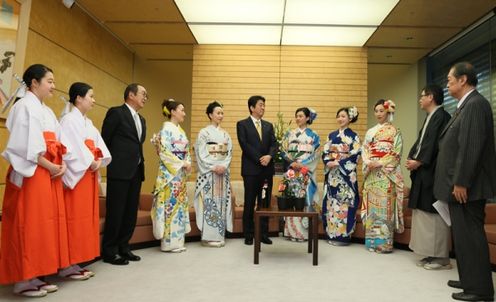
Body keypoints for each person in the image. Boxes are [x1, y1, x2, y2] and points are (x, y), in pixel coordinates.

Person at [0, 64, 70, 297]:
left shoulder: (46, 111)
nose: (53, 85)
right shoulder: (23, 107)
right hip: (32, 171)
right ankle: (22, 279)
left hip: (47, 171)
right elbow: (23, 146)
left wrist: (62, 162)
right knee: (27, 223)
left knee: (43, 224)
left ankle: (36, 274)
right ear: (34, 83)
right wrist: (50, 165)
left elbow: (57, 140)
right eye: (49, 81)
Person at [434, 62, 496, 302]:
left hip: (468, 187)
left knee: (471, 235)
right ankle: (469, 278)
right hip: (460, 185)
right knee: (462, 236)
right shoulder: (465, 106)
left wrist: (461, 182)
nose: (447, 83)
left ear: (463, 80)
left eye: (450, 79)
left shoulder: (476, 105)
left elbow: (470, 148)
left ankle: (479, 289)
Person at [60, 82, 112, 277]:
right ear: (78, 98)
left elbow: (99, 146)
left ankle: (76, 261)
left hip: (88, 175)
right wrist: (91, 160)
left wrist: (98, 159)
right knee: (74, 219)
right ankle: (67, 263)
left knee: (85, 219)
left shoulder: (87, 123)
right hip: (77, 176)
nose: (94, 100)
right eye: (90, 96)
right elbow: (70, 149)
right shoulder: (68, 120)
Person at [405, 84, 452, 270]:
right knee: (424, 213)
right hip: (424, 175)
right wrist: (412, 158)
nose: (420, 99)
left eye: (422, 96)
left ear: (431, 97)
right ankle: (430, 254)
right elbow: (421, 142)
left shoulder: (442, 117)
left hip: (433, 175)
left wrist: (419, 161)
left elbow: (434, 146)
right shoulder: (431, 117)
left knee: (434, 214)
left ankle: (441, 258)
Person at [101, 83, 146, 265]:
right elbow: (105, 140)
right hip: (119, 171)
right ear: (131, 95)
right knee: (116, 212)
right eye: (143, 94)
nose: (145, 98)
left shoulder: (142, 119)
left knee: (130, 213)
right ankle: (110, 251)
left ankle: (124, 247)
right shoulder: (116, 113)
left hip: (136, 171)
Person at [361, 99, 404, 253]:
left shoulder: (394, 131)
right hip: (372, 173)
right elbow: (365, 149)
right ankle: (372, 242)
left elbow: (397, 152)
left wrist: (380, 162)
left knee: (384, 209)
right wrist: (368, 161)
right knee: (373, 208)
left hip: (386, 173)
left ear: (388, 112)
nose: (378, 114)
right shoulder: (370, 132)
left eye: (381, 111)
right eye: (376, 111)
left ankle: (384, 243)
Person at [151, 99, 192, 252]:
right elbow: (164, 152)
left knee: (179, 206)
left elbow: (186, 150)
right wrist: (182, 163)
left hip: (179, 175)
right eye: (181, 110)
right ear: (173, 112)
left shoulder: (180, 131)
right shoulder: (166, 130)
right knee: (170, 205)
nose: (184, 113)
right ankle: (168, 243)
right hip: (169, 176)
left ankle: (178, 241)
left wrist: (187, 162)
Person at [236, 95, 277, 245]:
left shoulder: (268, 125)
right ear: (252, 107)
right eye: (260, 105)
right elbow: (244, 145)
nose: (263, 108)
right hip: (251, 170)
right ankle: (248, 234)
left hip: (266, 171)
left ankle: (263, 234)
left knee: (264, 202)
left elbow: (274, 144)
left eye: (264, 105)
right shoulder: (242, 124)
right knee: (249, 201)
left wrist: (269, 156)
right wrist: (261, 158)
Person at [194, 101, 233, 247]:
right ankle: (207, 237)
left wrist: (223, 166)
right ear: (210, 115)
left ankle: (219, 235)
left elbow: (229, 153)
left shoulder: (225, 134)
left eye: (222, 113)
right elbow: (200, 153)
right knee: (209, 203)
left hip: (221, 174)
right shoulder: (203, 133)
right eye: (218, 113)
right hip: (209, 174)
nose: (220, 116)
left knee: (220, 203)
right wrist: (213, 166)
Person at [321, 106, 360, 246]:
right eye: (338, 116)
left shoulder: (354, 136)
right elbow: (325, 151)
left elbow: (355, 154)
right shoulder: (331, 135)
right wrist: (328, 161)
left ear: (350, 118)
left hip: (345, 176)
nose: (340, 119)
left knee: (345, 203)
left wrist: (339, 162)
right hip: (333, 175)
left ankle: (343, 236)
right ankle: (331, 234)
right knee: (332, 204)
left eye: (343, 116)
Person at [280, 107, 320, 241]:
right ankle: (292, 232)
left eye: (301, 116)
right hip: (292, 171)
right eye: (296, 116)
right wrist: (292, 163)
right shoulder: (289, 134)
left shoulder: (314, 135)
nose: (298, 118)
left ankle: (304, 233)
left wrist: (303, 165)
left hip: (305, 171)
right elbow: (283, 150)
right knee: (292, 198)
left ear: (308, 118)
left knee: (304, 199)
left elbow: (316, 153)